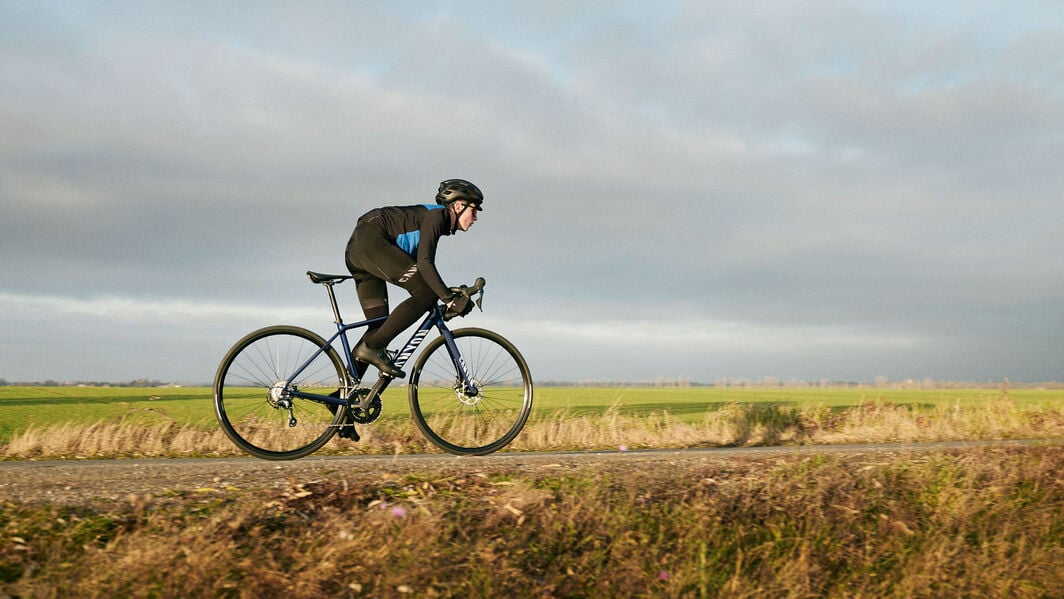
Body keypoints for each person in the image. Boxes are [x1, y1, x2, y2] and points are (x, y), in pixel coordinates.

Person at [344, 178, 482, 379]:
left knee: (379, 328)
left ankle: (342, 397)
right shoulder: (437, 216)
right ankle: (373, 348)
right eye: (474, 209)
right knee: (424, 293)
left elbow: (423, 270)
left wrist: (446, 302)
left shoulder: (431, 220)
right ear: (459, 205)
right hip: (371, 241)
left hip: (360, 249)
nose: (476, 217)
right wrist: (450, 300)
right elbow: (425, 265)